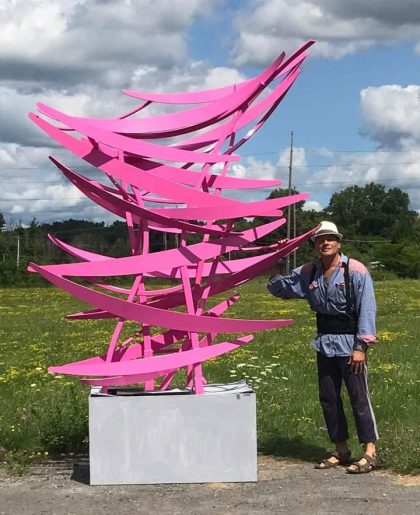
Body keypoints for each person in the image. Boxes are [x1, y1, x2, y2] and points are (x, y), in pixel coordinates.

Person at [267, 221, 378, 474]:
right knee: (329, 397)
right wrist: (279, 260)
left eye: (330, 238)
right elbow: (280, 289)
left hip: (350, 343)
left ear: (339, 242)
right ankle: (341, 450)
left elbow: (367, 308)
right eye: (320, 239)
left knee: (359, 397)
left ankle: (370, 452)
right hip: (325, 343)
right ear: (314, 244)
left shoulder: (356, 270)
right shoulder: (308, 272)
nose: (325, 243)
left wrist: (361, 346)